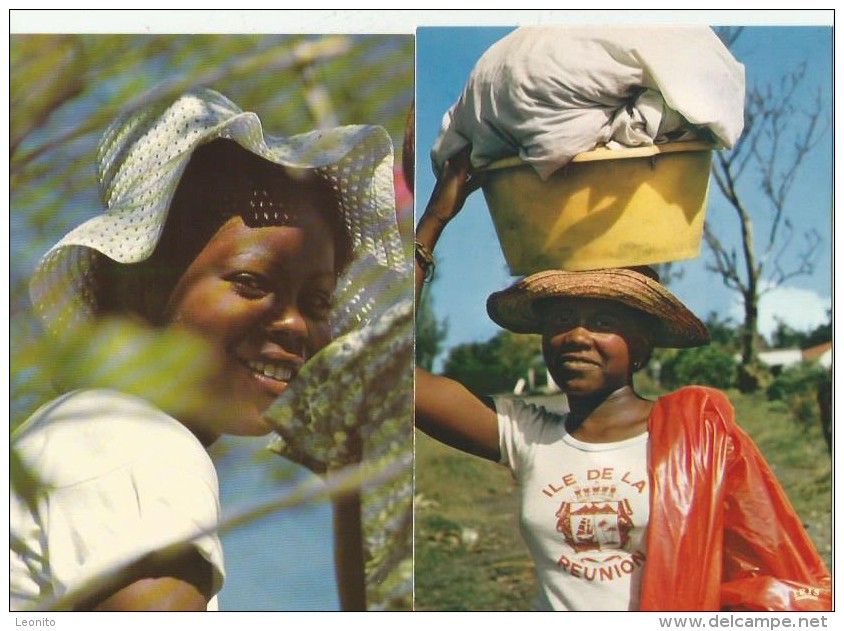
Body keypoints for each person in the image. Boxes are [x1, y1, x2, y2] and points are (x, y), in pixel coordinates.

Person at [10, 88, 407, 611]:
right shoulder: (137, 440)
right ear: (139, 288)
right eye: (250, 283)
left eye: (316, 300)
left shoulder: (88, 433)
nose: (292, 323)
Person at [414, 147, 831, 611]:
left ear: (642, 343)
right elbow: (385, 373)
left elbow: (767, 570)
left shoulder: (699, 439)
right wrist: (434, 220)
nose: (576, 335)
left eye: (603, 321)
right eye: (562, 319)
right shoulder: (530, 434)